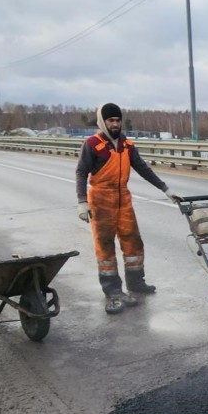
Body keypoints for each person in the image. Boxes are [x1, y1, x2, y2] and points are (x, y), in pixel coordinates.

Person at [76, 102, 181, 314]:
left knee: (133, 242)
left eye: (117, 120)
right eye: (110, 120)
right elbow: (81, 172)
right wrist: (82, 201)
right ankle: (113, 290)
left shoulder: (127, 145)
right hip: (101, 199)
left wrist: (165, 189)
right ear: (103, 122)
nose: (115, 124)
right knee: (105, 247)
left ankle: (135, 283)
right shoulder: (93, 144)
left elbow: (142, 168)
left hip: (123, 198)